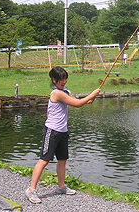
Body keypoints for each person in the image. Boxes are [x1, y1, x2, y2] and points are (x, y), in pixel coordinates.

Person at [25, 66, 100, 204]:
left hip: (62, 131)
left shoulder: (65, 91)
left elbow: (77, 101)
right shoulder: (56, 93)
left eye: (65, 78)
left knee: (62, 160)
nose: (64, 81)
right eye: (61, 79)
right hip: (52, 131)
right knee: (44, 160)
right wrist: (92, 93)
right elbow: (77, 104)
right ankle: (31, 190)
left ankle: (61, 187)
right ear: (54, 80)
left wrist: (90, 98)